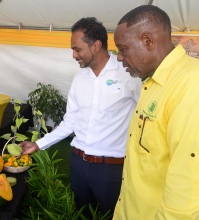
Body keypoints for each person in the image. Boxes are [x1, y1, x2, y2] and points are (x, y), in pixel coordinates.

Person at [20, 17, 142, 217]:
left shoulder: (128, 74)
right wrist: (38, 144)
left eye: (77, 49)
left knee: (110, 215)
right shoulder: (79, 79)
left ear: (96, 46)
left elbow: (143, 117)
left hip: (110, 169)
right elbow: (70, 122)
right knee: (81, 213)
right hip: (78, 163)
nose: (73, 55)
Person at [113, 5, 199, 220]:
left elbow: (185, 196)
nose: (119, 58)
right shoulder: (152, 82)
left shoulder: (191, 85)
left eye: (123, 49)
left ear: (148, 41)